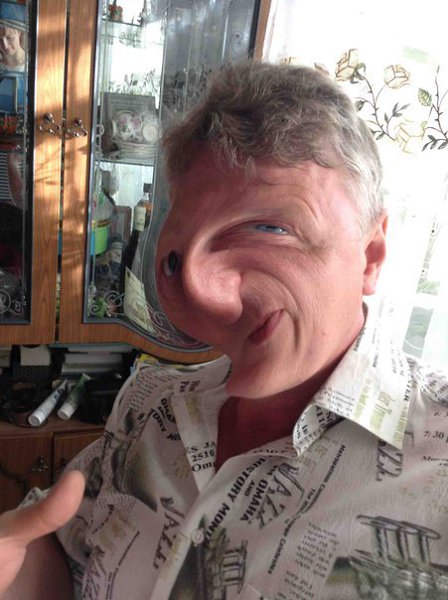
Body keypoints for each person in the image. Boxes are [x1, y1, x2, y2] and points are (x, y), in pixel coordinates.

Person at [2, 60, 448, 600]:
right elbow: (63, 547)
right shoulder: (151, 403)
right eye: (176, 257)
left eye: (271, 229)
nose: (205, 295)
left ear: (371, 255)